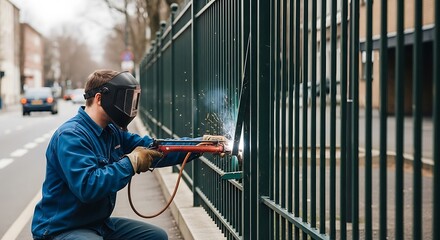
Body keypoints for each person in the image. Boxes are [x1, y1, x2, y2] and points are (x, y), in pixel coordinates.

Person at [31, 69, 226, 240]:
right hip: (62, 229)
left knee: (156, 236)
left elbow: (155, 149)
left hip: (97, 224)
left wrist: (199, 146)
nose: (128, 106)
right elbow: (88, 187)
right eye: (124, 99)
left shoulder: (112, 131)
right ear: (99, 98)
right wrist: (130, 163)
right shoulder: (72, 136)